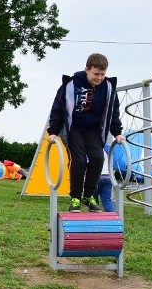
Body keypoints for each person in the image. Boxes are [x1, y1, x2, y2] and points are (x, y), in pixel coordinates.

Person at [47, 53, 125, 213]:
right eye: (96, 74)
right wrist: (53, 131)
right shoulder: (71, 85)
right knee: (79, 160)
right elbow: (57, 108)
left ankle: (88, 196)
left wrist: (117, 132)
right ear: (87, 70)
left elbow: (113, 112)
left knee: (97, 158)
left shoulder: (108, 88)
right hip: (74, 128)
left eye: (103, 74)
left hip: (93, 129)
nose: (100, 78)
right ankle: (75, 197)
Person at [94, 145, 117, 212]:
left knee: (93, 200)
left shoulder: (92, 147)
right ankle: (112, 217)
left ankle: (95, 217)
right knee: (107, 200)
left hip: (96, 177)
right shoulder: (108, 148)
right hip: (108, 176)